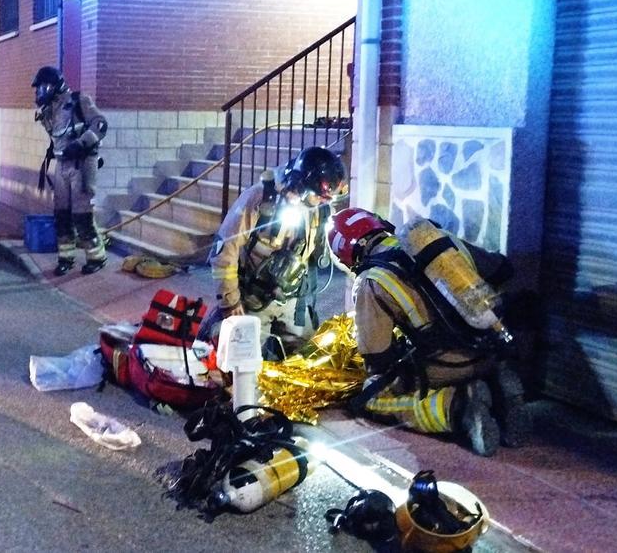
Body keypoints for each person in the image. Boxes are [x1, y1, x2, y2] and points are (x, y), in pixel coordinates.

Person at [328, 207, 528, 457]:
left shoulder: (371, 280)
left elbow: (378, 359)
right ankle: (496, 383)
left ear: (347, 254)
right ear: (377, 225)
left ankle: (457, 408)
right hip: (492, 346)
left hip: (449, 364)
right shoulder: (434, 240)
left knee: (372, 395)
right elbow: (501, 269)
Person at [206, 146, 345, 350]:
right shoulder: (260, 199)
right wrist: (231, 302)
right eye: (319, 197)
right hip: (252, 301)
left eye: (326, 199)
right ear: (301, 185)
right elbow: (224, 251)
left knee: (308, 359)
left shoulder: (319, 208)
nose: (322, 203)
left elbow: (329, 249)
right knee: (242, 362)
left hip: (293, 302)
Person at [32, 66, 109, 276]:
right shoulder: (50, 110)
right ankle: (66, 257)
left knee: (81, 215)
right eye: (39, 89)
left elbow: (101, 124)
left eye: (44, 87)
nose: (40, 92)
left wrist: (82, 143)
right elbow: (57, 137)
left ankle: (97, 257)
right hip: (62, 164)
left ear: (55, 85)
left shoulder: (79, 100)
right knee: (61, 215)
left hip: (82, 163)